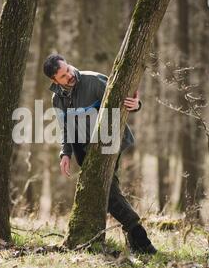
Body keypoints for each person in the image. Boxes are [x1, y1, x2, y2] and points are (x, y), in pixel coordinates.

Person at [43, 54, 157, 255]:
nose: (70, 75)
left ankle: (140, 237)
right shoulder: (56, 98)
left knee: (104, 189)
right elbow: (65, 127)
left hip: (108, 141)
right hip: (82, 147)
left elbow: (126, 98)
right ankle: (132, 238)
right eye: (63, 75)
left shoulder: (94, 81)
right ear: (55, 80)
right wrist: (65, 153)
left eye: (68, 69)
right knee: (104, 190)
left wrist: (137, 105)